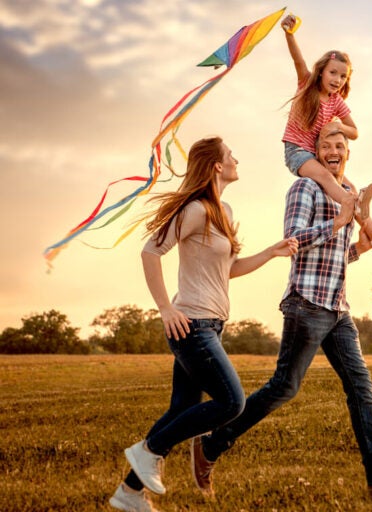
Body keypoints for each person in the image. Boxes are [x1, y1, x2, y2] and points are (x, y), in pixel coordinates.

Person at [190, 128, 372, 499]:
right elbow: (294, 241)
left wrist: (360, 247)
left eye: (340, 147)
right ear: (315, 154)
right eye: (326, 147)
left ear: (347, 154)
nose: (334, 151)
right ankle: (211, 446)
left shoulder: (344, 195)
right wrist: (338, 221)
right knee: (284, 387)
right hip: (306, 304)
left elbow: (335, 258)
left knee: (360, 387)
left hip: (338, 308)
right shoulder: (305, 189)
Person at [109, 137, 299, 512]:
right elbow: (151, 251)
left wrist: (270, 252)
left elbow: (228, 270)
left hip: (210, 324)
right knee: (232, 402)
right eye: (231, 155)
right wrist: (165, 308)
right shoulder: (195, 209)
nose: (236, 159)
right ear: (216, 165)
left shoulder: (222, 210)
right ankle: (149, 451)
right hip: (190, 323)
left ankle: (129, 493)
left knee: (182, 409)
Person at [279, 13, 372, 254]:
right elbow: (298, 61)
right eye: (333, 73)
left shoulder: (336, 102)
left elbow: (354, 131)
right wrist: (289, 34)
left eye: (343, 76)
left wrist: (338, 126)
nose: (337, 80)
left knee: (350, 187)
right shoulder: (307, 85)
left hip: (315, 156)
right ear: (321, 72)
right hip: (297, 152)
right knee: (330, 182)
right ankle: (352, 204)